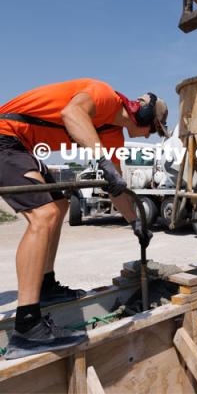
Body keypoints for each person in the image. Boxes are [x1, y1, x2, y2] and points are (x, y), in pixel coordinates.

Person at [0, 78, 169, 359]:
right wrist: (101, 159)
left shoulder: (113, 134)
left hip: (20, 146)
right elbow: (71, 114)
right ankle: (27, 328)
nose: (150, 136)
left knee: (60, 203)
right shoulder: (103, 95)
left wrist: (136, 223)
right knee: (44, 215)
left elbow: (113, 187)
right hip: (5, 138)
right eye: (154, 129)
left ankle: (45, 286)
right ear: (144, 115)